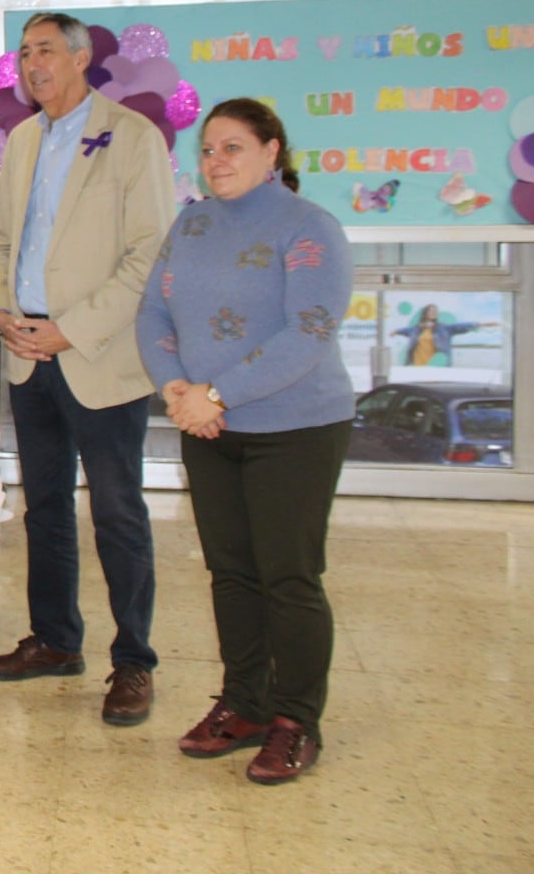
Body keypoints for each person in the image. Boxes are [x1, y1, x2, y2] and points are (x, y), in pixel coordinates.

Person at [137, 99, 355, 785]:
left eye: (232, 147)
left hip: (295, 428)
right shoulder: (192, 221)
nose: (216, 161)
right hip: (208, 425)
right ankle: (245, 705)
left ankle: (295, 721)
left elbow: (309, 332)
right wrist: (177, 390)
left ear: (271, 152)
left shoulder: (309, 227)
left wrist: (217, 393)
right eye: (207, 149)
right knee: (231, 573)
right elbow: (152, 311)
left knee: (288, 577)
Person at [0, 11, 175, 727]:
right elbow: (1, 243)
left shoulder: (131, 137)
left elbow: (149, 255)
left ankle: (134, 662)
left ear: (82, 57)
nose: (33, 63)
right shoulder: (24, 140)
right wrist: (1, 311)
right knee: (46, 509)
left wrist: (72, 329)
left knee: (119, 512)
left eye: (46, 50)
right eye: (24, 52)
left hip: (98, 355)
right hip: (28, 356)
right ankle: (58, 640)